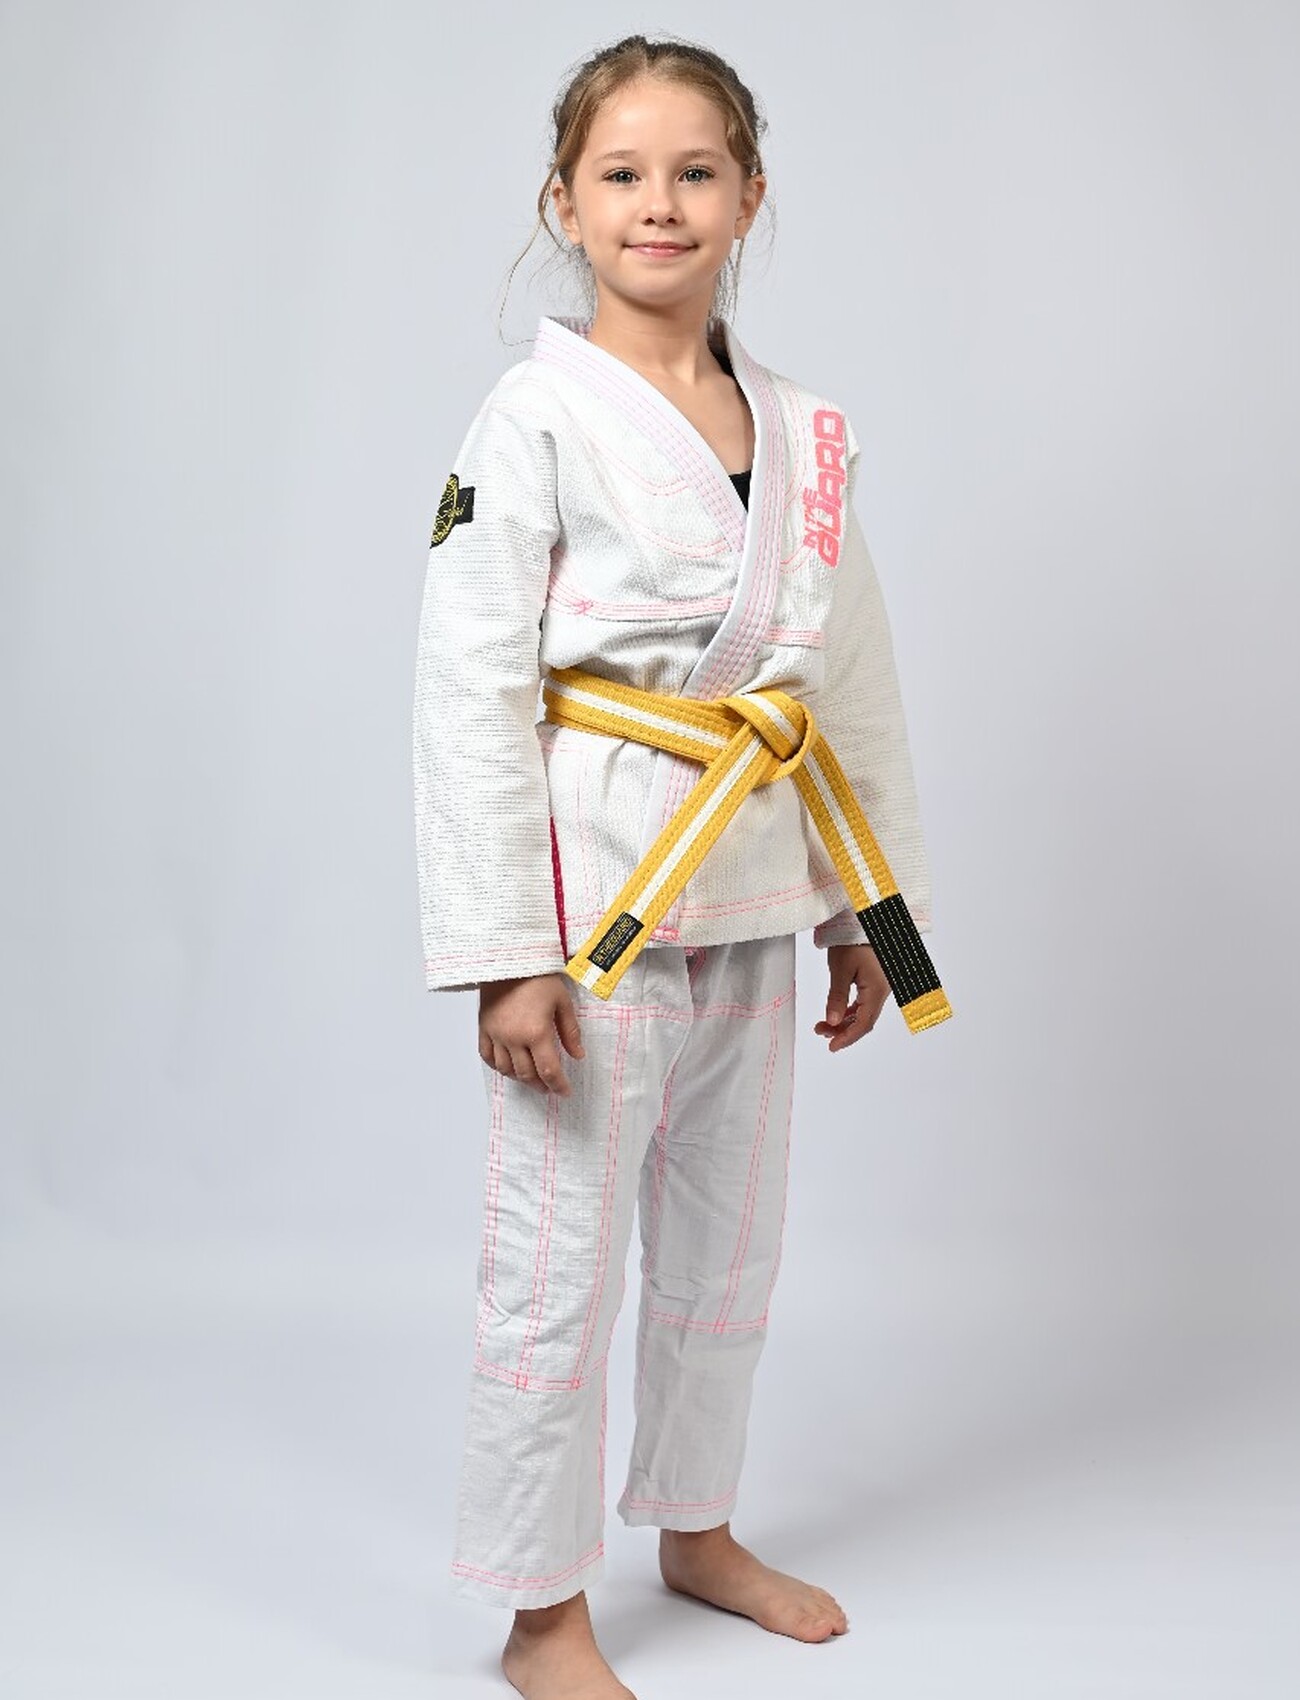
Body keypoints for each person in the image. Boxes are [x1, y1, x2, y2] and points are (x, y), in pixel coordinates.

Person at [412, 33, 951, 1700]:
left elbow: (848, 676)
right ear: (564, 203)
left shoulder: (805, 431)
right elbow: (467, 693)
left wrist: (875, 919)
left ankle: (699, 1529)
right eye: (624, 173)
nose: (661, 203)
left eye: (695, 171)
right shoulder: (534, 417)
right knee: (558, 1267)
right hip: (595, 911)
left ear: (749, 197)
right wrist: (504, 951)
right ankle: (540, 1612)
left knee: (728, 1252)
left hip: (760, 895)